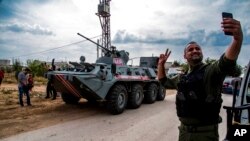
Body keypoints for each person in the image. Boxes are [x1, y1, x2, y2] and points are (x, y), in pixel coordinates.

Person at [157, 17, 243, 140]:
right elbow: (163, 81)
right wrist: (160, 64)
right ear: (185, 56)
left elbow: (226, 61)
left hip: (205, 134)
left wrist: (237, 39)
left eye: (198, 48)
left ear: (202, 53)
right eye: (190, 49)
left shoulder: (210, 71)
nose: (195, 50)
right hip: (184, 132)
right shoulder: (183, 77)